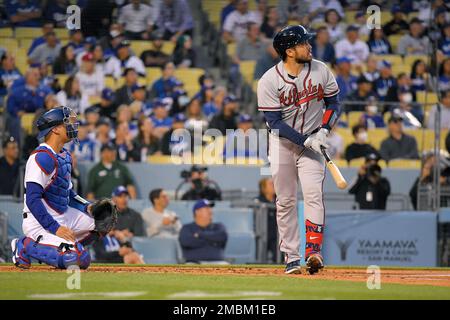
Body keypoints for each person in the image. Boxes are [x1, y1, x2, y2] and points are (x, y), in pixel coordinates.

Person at [257, 25, 341, 274]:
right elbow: (274, 122)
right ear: (290, 51)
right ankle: (291, 258)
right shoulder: (269, 80)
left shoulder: (321, 69)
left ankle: (313, 252)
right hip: (282, 144)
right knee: (285, 201)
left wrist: (325, 129)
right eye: (304, 43)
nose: (309, 46)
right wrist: (306, 140)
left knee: (314, 194)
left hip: (314, 143)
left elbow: (333, 102)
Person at [10, 107, 101, 270]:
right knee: (76, 258)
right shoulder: (41, 157)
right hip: (39, 222)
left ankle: (65, 246)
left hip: (62, 215)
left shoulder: (64, 155)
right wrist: (55, 228)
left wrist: (87, 206)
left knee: (103, 220)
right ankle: (24, 244)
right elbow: (32, 199)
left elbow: (69, 194)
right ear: (56, 129)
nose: (73, 126)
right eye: (68, 122)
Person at [178, 199, 228, 264]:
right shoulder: (187, 228)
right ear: (197, 212)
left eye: (210, 208)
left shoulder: (218, 226)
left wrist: (200, 234)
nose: (210, 211)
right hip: (194, 264)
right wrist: (212, 241)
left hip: (218, 263)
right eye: (207, 208)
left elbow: (222, 236)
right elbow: (186, 242)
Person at [6, 68, 47, 142]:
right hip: (21, 119)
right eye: (35, 75)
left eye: (38, 75)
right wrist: (17, 112)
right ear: (28, 77)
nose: (38, 77)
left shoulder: (43, 91)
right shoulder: (17, 91)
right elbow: (10, 105)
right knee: (16, 122)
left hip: (38, 118)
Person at [255, 178, 277, 263]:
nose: (274, 186)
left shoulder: (279, 200)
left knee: (278, 257)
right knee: (260, 258)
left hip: (276, 235)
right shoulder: (257, 201)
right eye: (271, 184)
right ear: (263, 188)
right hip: (261, 234)